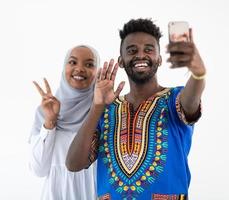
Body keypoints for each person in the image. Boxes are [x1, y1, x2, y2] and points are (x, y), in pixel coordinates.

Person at [66, 18, 206, 200]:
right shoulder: (107, 111)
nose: (141, 55)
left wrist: (198, 74)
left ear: (159, 59)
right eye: (132, 51)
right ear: (121, 61)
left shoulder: (174, 100)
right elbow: (73, 163)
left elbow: (190, 101)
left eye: (149, 50)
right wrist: (96, 107)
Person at [29, 45, 100, 200]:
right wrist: (50, 121)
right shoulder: (45, 111)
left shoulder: (103, 111)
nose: (80, 69)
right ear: (64, 68)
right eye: (73, 62)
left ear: (97, 72)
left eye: (89, 64)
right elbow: (38, 170)